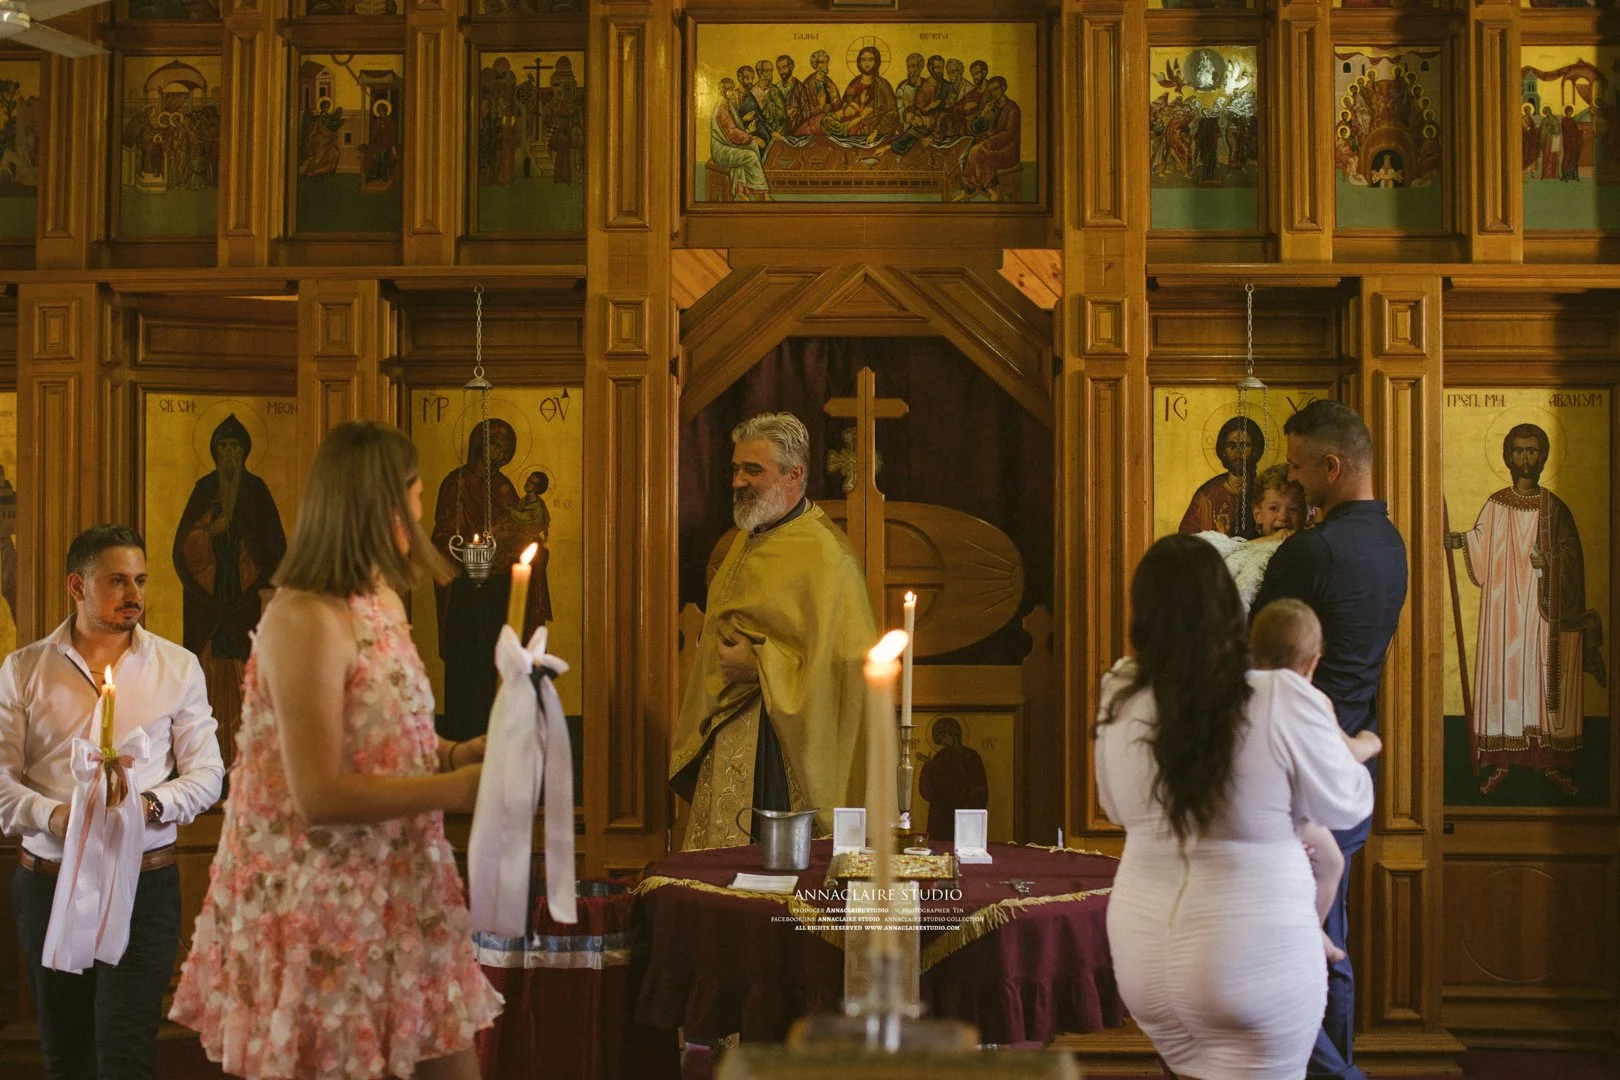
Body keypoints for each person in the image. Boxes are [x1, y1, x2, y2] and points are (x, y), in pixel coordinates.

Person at [169, 421, 500, 1080]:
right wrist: (457, 790)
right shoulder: (304, 616)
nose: (419, 515)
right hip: (323, 902)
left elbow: (384, 737)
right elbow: (317, 793)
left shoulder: (380, 600)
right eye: (415, 498)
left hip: (401, 883)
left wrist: (455, 750)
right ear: (381, 507)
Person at [1097, 534, 1374, 1080]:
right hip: (1252, 954)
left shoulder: (1121, 691)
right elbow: (1349, 802)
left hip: (1143, 952)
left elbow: (1112, 807)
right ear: (1229, 606)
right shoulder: (1275, 696)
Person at [1, 524, 225, 1080]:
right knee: (66, 1054)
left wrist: (145, 807)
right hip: (49, 880)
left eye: (142, 580)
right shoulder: (24, 669)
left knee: (127, 1052)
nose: (135, 595)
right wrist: (56, 816)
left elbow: (209, 774)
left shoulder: (178, 667)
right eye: (118, 581)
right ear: (78, 586)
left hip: (145, 884)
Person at [1252, 398, 1408, 1080]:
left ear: (1333, 465)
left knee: (1275, 947)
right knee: (1327, 941)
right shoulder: (1391, 546)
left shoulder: (1313, 549)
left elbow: (1255, 646)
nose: (1291, 480)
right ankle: (1336, 1062)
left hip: (1292, 771)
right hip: (1348, 771)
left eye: (1297, 465)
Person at [670, 412, 876, 849]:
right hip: (731, 729)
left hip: (782, 745)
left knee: (775, 873)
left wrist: (762, 665)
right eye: (736, 468)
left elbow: (847, 665)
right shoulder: (749, 538)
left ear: (794, 473)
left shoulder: (825, 554)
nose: (738, 481)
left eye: (753, 470)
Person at [1445, 423, 1604, 797]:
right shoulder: (1495, 505)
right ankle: (1502, 760)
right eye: (1519, 451)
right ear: (1507, 456)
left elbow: (1573, 560)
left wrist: (1548, 561)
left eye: (1533, 451)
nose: (1526, 459)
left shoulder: (1554, 507)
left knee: (1539, 677)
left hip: (1540, 611)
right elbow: (1480, 543)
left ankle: (1548, 762)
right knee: (1505, 674)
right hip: (1502, 612)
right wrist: (1461, 540)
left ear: (1544, 456)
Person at [1251, 598, 1382, 963]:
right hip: (1287, 816)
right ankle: (1313, 931)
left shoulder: (1235, 692)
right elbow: (1345, 754)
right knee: (1332, 862)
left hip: (1243, 816)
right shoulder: (1311, 699)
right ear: (1313, 662)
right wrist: (1370, 743)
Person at [173, 413, 287, 766]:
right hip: (208, 604)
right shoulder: (204, 491)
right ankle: (205, 763)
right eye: (222, 447)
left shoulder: (256, 491)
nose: (228, 455)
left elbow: (276, 552)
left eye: (235, 447)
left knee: (246, 682)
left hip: (245, 602)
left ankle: (246, 761)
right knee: (206, 681)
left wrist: (242, 540)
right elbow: (182, 550)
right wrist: (210, 531)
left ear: (245, 451)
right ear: (213, 451)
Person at [1195, 462, 1307, 610]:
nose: (1283, 516)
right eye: (1274, 508)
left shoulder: (1308, 552)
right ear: (1258, 514)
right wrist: (1268, 540)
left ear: (1306, 515)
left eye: (1293, 509)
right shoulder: (1244, 548)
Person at [1179, 415, 1266, 539]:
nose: (1238, 452)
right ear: (1223, 451)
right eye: (1231, 446)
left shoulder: (1263, 490)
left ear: (1256, 450)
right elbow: (1186, 538)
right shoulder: (1207, 495)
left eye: (1245, 445)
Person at [917, 716, 988, 841]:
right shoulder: (940, 757)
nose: (942, 740)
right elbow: (930, 791)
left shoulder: (971, 757)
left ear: (954, 734)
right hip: (941, 815)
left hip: (965, 813)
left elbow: (979, 787)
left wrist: (972, 810)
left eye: (944, 736)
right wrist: (929, 765)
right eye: (939, 738)